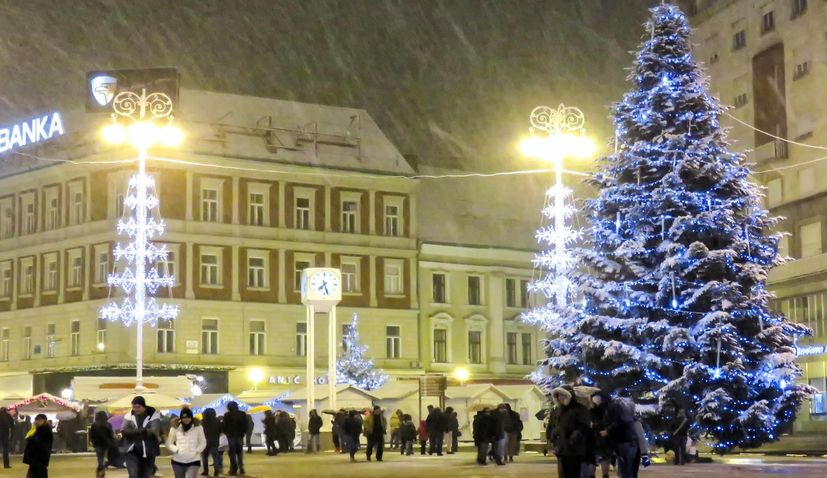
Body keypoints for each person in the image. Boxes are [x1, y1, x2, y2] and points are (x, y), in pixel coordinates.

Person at [550, 385, 591, 478]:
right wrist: (553, 436)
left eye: (561, 395)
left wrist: (573, 438)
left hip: (575, 450)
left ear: (569, 395)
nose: (559, 397)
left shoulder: (579, 409)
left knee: (573, 473)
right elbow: (556, 425)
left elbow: (584, 427)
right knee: (562, 474)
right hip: (562, 449)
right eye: (557, 396)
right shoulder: (559, 410)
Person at [121, 396, 162, 478]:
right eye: (134, 407)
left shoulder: (153, 415)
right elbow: (124, 431)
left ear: (144, 406)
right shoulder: (129, 415)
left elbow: (153, 431)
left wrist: (132, 432)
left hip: (149, 451)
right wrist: (142, 431)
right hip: (131, 450)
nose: (136, 409)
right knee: (133, 475)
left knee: (145, 475)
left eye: (138, 407)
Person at [601, 393, 640, 478]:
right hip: (626, 441)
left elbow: (621, 422)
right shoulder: (620, 407)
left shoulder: (614, 407)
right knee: (626, 469)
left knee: (626, 469)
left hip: (625, 441)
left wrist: (608, 431)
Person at [167, 408, 207, 478]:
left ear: (191, 417)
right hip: (178, 460)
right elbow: (169, 443)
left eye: (188, 417)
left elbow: (203, 442)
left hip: (194, 460)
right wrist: (176, 450)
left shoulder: (198, 427)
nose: (186, 419)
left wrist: (196, 451)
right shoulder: (174, 428)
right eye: (184, 417)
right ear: (181, 418)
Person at [590, 391, 613, 478]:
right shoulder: (594, 410)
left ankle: (603, 475)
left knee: (602, 458)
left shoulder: (605, 409)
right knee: (598, 458)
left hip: (602, 436)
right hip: (597, 436)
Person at [23, 414, 53, 478]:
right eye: (36, 419)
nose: (37, 421)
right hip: (36, 458)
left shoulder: (44, 430)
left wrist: (31, 439)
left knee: (38, 473)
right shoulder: (37, 429)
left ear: (44, 420)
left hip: (39, 457)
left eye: (39, 420)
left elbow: (38, 442)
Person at [222, 401, 247, 476]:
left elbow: (224, 425)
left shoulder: (227, 415)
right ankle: (241, 467)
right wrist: (243, 432)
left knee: (232, 453)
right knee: (239, 453)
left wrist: (226, 432)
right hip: (240, 436)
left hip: (231, 436)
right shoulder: (242, 414)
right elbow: (246, 424)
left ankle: (234, 468)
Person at [90, 411, 116, 477]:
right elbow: (111, 435)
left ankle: (101, 468)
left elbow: (91, 435)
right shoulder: (108, 424)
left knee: (100, 457)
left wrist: (92, 442)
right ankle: (102, 468)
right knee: (103, 456)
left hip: (97, 444)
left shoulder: (94, 425)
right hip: (106, 443)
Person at [200, 408, 224, 477]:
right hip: (215, 441)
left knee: (205, 457)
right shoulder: (217, 420)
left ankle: (206, 471)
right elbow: (220, 430)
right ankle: (216, 471)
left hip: (204, 441)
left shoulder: (202, 421)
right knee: (215, 456)